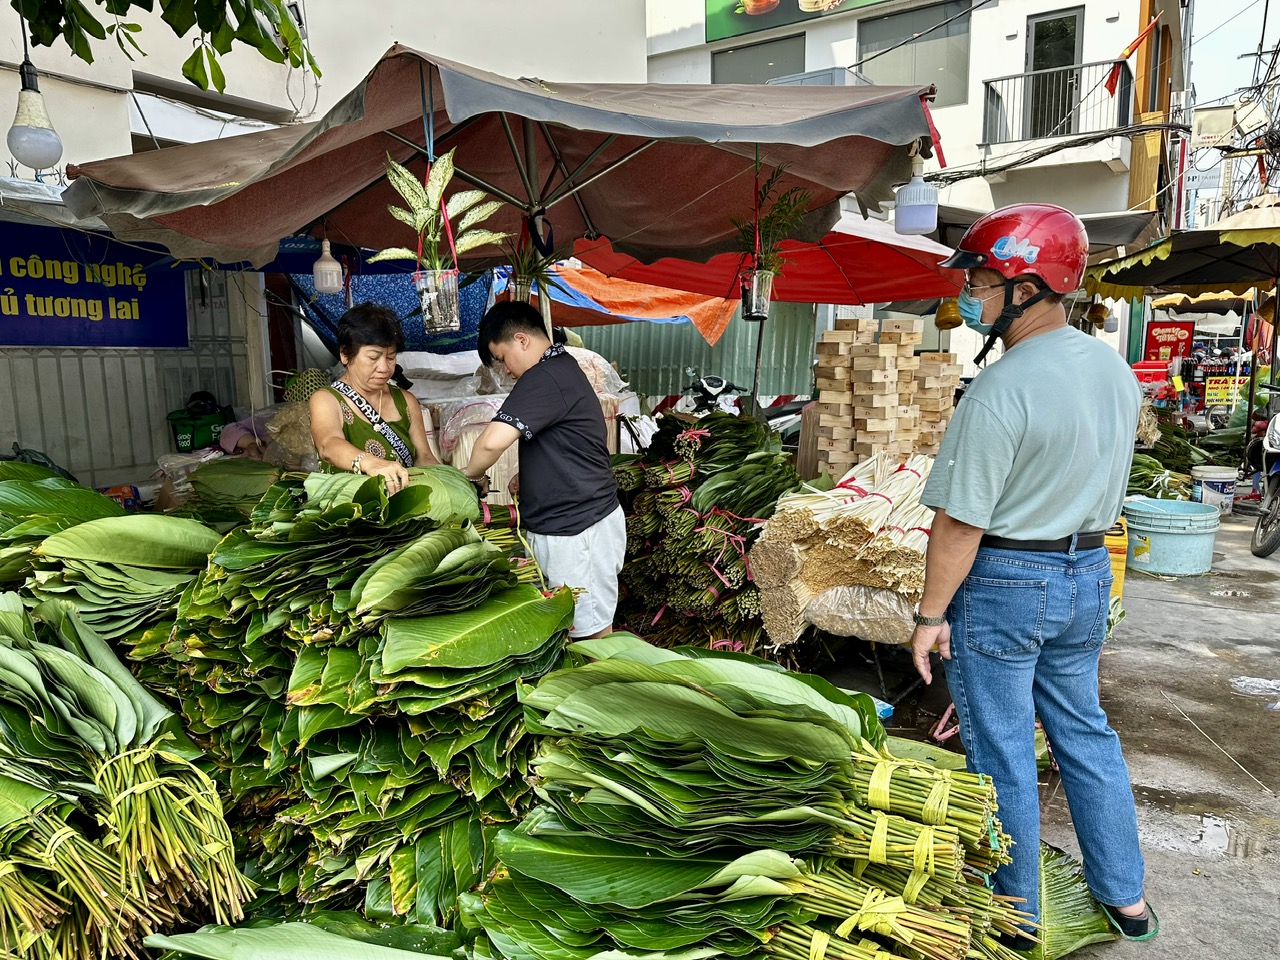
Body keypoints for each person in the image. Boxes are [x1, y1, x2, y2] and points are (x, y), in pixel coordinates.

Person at [907, 204, 1154, 950]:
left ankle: (1016, 917)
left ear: (1026, 286)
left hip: (1009, 582)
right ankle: (1127, 898)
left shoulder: (1000, 388)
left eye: (980, 283)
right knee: (1086, 734)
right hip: (1086, 575)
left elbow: (959, 524)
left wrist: (928, 617)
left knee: (1003, 748)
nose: (970, 299)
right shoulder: (1114, 370)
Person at [461, 300, 623, 638]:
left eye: (502, 358)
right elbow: (564, 440)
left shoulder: (545, 376)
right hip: (572, 524)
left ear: (521, 340)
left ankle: (603, 690)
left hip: (580, 529)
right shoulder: (559, 369)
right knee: (572, 629)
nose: (505, 370)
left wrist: (465, 477)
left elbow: (491, 443)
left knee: (591, 634)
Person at [309, 302, 439, 493]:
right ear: (345, 355)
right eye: (373, 357)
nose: (384, 368)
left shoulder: (406, 401)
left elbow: (424, 457)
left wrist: (454, 479)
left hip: (403, 507)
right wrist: (371, 463)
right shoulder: (326, 400)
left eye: (390, 357)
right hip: (348, 511)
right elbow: (328, 444)